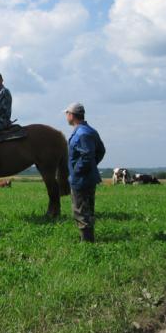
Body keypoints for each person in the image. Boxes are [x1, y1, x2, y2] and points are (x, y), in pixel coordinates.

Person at [65, 102, 106, 242]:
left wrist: (77, 171)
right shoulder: (89, 130)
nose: (66, 116)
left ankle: (87, 242)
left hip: (81, 179)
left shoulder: (82, 133)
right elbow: (101, 150)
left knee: (81, 210)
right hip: (87, 177)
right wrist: (92, 165)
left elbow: (87, 155)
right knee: (87, 209)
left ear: (71, 115)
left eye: (67, 113)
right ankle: (88, 238)